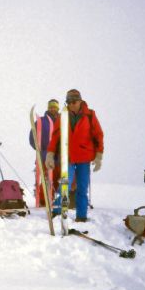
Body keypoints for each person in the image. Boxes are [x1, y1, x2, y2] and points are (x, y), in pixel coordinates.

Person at [45, 89, 104, 222]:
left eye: (74, 101)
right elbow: (55, 136)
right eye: (69, 102)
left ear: (80, 101)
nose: (71, 104)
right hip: (68, 157)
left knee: (82, 188)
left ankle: (81, 216)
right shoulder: (63, 116)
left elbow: (98, 135)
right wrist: (50, 154)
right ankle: (58, 212)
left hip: (84, 157)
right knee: (64, 184)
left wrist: (99, 156)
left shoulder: (90, 115)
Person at [28, 99, 60, 207]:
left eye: (55, 107)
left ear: (58, 108)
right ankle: (43, 199)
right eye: (51, 107)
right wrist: (40, 149)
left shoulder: (62, 121)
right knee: (47, 178)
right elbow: (32, 138)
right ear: (48, 108)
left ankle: (54, 198)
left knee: (56, 177)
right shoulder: (41, 121)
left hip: (59, 155)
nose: (53, 109)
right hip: (44, 154)